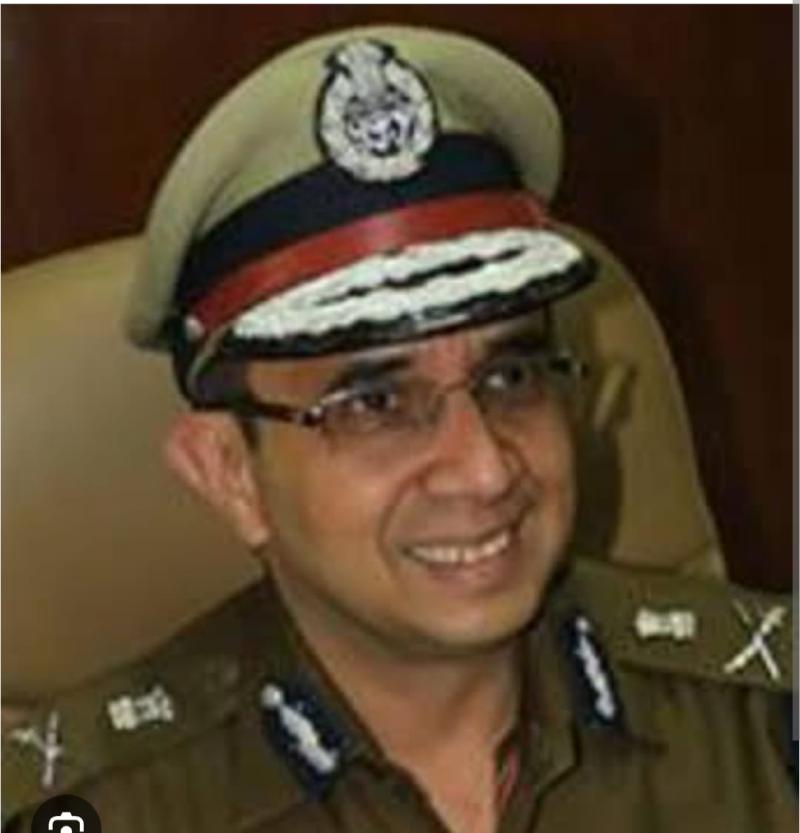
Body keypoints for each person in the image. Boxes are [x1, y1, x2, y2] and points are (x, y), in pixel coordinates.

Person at [3, 25, 795, 833]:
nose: (485, 469)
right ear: (231, 472)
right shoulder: (100, 810)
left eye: (511, 377)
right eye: (377, 404)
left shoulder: (766, 730)